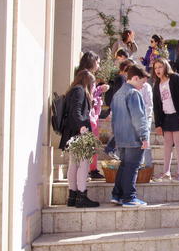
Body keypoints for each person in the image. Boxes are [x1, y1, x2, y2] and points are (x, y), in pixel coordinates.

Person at [110, 65, 150, 207]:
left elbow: (113, 119)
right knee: (132, 167)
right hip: (134, 138)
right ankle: (129, 198)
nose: (142, 87)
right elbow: (138, 118)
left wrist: (115, 137)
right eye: (142, 83)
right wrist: (144, 137)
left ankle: (117, 194)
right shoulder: (134, 93)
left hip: (121, 137)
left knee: (124, 166)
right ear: (135, 78)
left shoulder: (118, 94)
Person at [59, 69, 100, 208]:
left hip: (71, 132)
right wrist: (82, 126)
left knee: (74, 164)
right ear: (88, 81)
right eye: (93, 83)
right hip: (78, 132)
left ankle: (73, 196)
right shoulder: (80, 90)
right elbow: (76, 111)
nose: (93, 87)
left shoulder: (73, 90)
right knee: (83, 164)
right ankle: (81, 196)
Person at [152, 58, 179, 182]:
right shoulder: (157, 85)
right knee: (167, 144)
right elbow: (156, 106)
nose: (157, 70)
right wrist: (158, 124)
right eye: (155, 68)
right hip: (166, 117)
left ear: (166, 66)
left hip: (178, 116)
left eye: (160, 67)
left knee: (178, 143)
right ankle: (166, 172)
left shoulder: (176, 78)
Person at [76, 51, 109, 180]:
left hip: (89, 115)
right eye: (98, 62)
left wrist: (99, 90)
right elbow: (89, 96)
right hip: (89, 116)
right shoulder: (88, 77)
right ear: (92, 62)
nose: (99, 65)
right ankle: (91, 169)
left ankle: (90, 169)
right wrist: (100, 92)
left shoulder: (81, 75)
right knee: (91, 144)